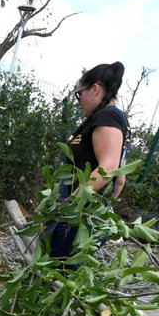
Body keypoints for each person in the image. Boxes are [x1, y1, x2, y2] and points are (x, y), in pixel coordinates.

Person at [48, 61, 129, 258]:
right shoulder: (105, 119)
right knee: (55, 265)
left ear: (95, 89)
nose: (78, 100)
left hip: (78, 214)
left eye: (79, 93)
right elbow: (120, 179)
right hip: (79, 211)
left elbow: (109, 168)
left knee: (59, 267)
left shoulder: (108, 117)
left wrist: (71, 202)